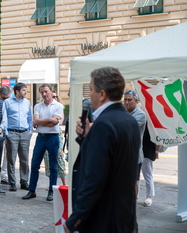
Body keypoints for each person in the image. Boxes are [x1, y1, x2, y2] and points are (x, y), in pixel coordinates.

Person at [64, 67, 140, 233]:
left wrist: (75, 220)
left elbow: (94, 179)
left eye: (91, 89)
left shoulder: (104, 125)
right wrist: (87, 137)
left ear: (102, 94)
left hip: (104, 220)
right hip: (125, 216)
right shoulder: (129, 120)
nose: (89, 94)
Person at [22, 84, 63, 201]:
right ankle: (32, 190)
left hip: (53, 137)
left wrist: (41, 122)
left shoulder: (58, 106)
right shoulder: (37, 106)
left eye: (46, 92)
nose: (44, 94)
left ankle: (51, 191)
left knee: (53, 166)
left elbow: (54, 123)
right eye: (42, 92)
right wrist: (49, 119)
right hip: (41, 137)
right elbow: (36, 120)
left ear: (51, 91)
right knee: (35, 164)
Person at [3, 83, 33, 191]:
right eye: (24, 90)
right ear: (17, 91)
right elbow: (4, 117)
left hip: (25, 133)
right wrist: (6, 133)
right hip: (12, 133)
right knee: (11, 159)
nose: (26, 92)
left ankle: (24, 181)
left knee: (24, 159)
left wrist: (30, 131)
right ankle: (12, 183)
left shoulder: (27, 103)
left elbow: (30, 118)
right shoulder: (7, 102)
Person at [124, 89, 146, 200]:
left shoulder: (140, 115)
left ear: (136, 100)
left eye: (130, 100)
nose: (127, 102)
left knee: (133, 181)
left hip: (134, 154)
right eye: (125, 100)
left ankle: (133, 202)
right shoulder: (123, 113)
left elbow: (127, 128)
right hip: (122, 154)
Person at [44, 92, 67, 187]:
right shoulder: (45, 107)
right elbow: (38, 121)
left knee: (59, 157)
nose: (54, 98)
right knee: (48, 158)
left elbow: (59, 122)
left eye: (55, 96)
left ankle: (64, 183)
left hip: (57, 135)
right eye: (52, 96)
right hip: (46, 135)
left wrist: (45, 121)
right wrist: (50, 120)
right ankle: (51, 184)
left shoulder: (60, 107)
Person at [141, 123, 162, 207]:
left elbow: (158, 140)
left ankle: (149, 197)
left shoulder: (152, 125)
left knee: (147, 174)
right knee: (136, 176)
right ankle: (138, 195)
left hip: (147, 151)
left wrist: (157, 152)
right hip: (138, 151)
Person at [0, 85, 11, 185]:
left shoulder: (11, 103)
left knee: (7, 155)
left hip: (8, 131)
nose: (5, 100)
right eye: (3, 98)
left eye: (7, 98)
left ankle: (4, 175)